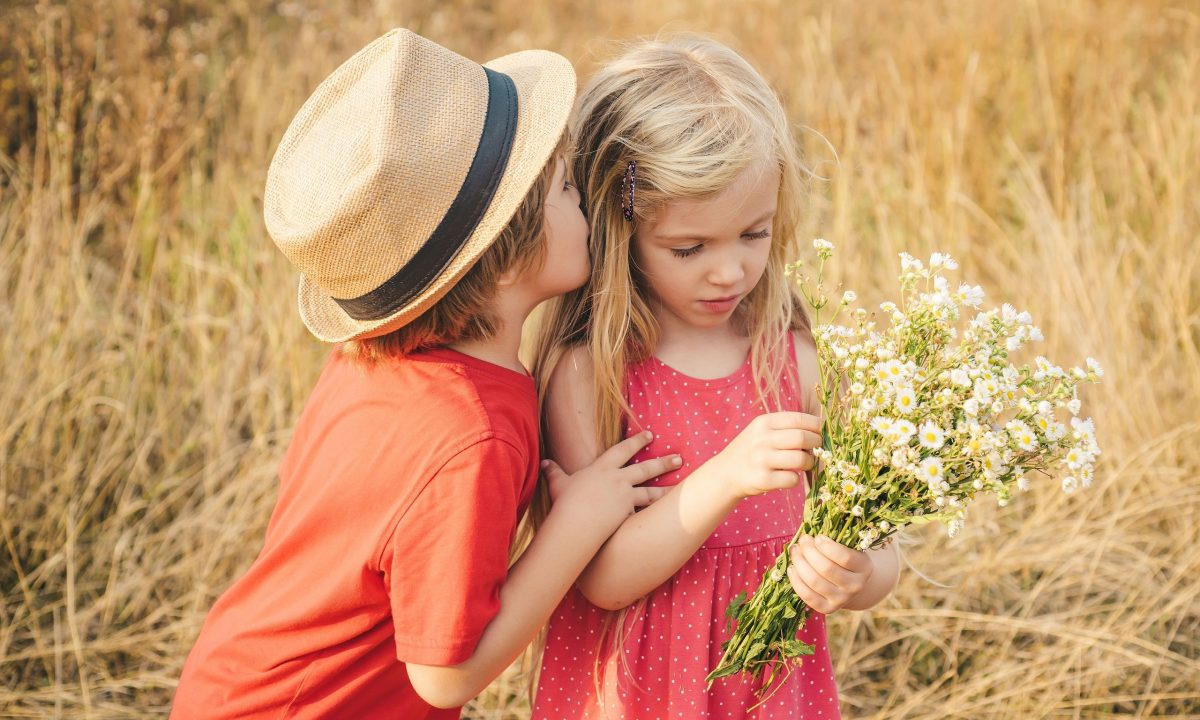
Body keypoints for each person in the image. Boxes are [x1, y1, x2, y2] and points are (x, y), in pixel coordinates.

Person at [170, 29, 678, 719]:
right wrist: (579, 520)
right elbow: (444, 676)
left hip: (235, 683)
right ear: (503, 255)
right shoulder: (471, 438)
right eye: (563, 187)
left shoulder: (372, 364)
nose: (582, 200)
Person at [530, 36, 901, 719]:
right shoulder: (593, 375)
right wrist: (725, 477)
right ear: (621, 227)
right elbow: (603, 580)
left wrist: (862, 572)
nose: (729, 271)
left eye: (753, 235)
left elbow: (876, 532)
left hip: (767, 690)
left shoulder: (791, 356)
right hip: (644, 694)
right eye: (689, 248)